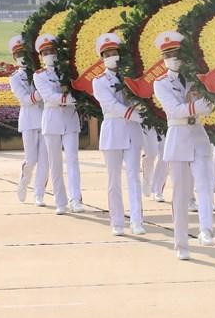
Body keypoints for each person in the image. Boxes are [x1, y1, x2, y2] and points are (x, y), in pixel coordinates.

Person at [152, 31, 215, 260]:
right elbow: (174, 109)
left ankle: (206, 229)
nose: (173, 59)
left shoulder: (196, 79)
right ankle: (181, 244)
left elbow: (210, 105)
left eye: (177, 54)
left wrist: (205, 104)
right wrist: (197, 106)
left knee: (205, 184)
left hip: (197, 133)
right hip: (177, 136)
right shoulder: (160, 83)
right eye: (168, 55)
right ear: (163, 58)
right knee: (180, 194)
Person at [92, 33, 146, 236]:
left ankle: (137, 221)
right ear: (102, 58)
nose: (111, 57)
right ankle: (117, 221)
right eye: (107, 54)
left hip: (132, 132)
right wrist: (137, 115)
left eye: (114, 53)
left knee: (134, 177)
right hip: (113, 131)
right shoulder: (99, 81)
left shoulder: (131, 76)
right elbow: (110, 105)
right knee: (113, 180)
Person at [33, 34, 84, 215]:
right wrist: (72, 99)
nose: (49, 55)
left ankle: (75, 199)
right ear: (41, 56)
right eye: (45, 52)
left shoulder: (67, 71)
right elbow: (49, 97)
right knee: (55, 163)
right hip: (52, 120)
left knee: (72, 159)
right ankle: (60, 201)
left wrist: (79, 99)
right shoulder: (39, 75)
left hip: (70, 119)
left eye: (52, 51)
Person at [8, 36, 48, 206]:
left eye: (24, 54)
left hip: (45, 120)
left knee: (45, 161)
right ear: (14, 58)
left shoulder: (41, 73)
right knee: (31, 160)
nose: (22, 58)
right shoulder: (15, 78)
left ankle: (39, 194)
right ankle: (24, 181)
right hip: (29, 121)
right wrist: (42, 93)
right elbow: (24, 99)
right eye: (18, 55)